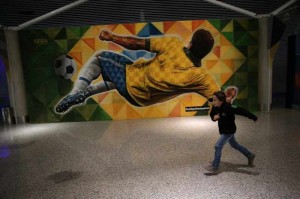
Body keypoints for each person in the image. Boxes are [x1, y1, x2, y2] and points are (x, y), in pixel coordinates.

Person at [55, 28, 220, 113]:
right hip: (143, 100)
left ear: (190, 44)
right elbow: (219, 99)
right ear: (204, 53)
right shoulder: (202, 78)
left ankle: (76, 93)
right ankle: (86, 93)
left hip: (132, 81)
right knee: (117, 76)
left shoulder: (174, 44)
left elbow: (135, 44)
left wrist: (111, 37)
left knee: (100, 58)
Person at [205, 90, 257, 173]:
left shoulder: (229, 107)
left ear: (221, 100)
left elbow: (242, 111)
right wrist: (214, 117)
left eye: (215, 100)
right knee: (234, 144)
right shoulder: (215, 106)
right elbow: (212, 115)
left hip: (229, 131)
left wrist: (253, 117)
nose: (213, 102)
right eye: (213, 100)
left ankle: (215, 167)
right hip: (223, 130)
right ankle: (250, 155)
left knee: (218, 146)